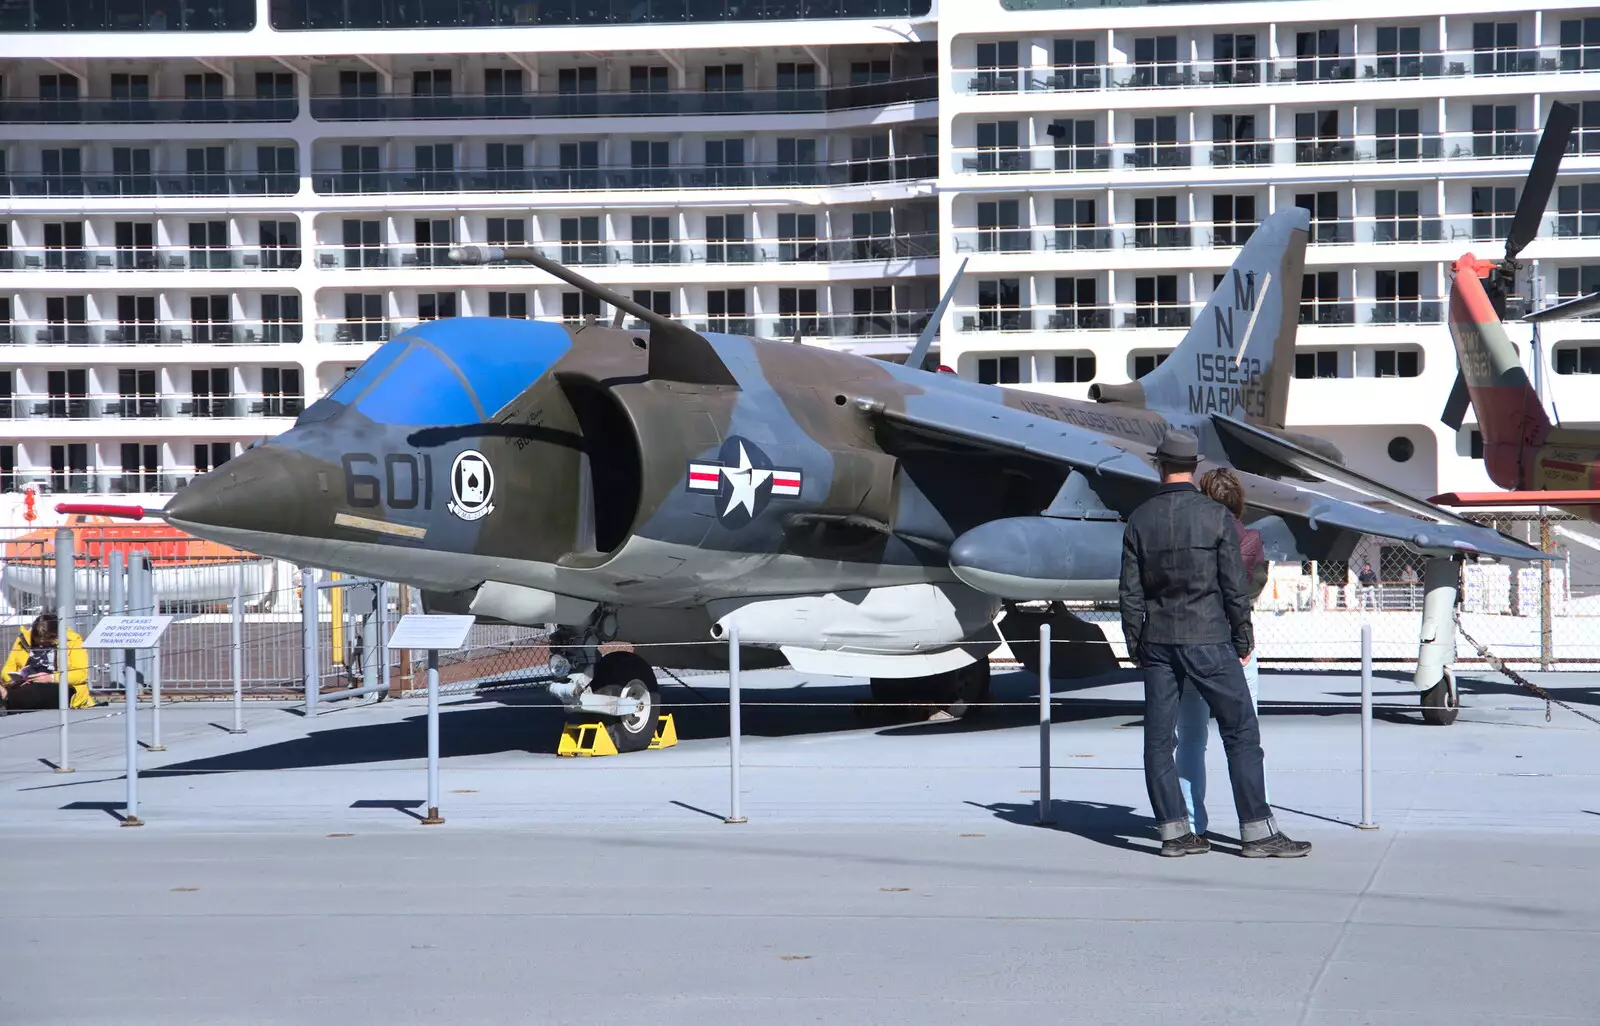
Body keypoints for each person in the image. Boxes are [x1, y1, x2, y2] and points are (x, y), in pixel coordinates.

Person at [1119, 430, 1310, 859]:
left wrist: (1136, 644)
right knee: (1241, 732)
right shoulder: (1215, 516)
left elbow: (1129, 593)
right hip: (1209, 638)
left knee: (1159, 739)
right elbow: (1232, 587)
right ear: (1194, 466)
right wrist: (1243, 636)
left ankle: (1175, 833)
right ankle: (1257, 833)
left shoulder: (1140, 519)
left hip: (1160, 642)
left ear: (1159, 464)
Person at [1175, 467, 1267, 837]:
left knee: (1191, 740)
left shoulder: (1184, 537)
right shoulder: (1251, 539)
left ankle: (1192, 824)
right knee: (1246, 739)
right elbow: (1248, 592)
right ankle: (1257, 825)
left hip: (1189, 644)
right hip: (1235, 648)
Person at [2, 612, 93, 713]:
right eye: (38, 642)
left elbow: (81, 674)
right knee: (29, 690)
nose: (42, 645)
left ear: (56, 636)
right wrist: (13, 680)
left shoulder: (73, 642)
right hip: (25, 684)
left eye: (47, 643)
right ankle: (7, 697)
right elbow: (7, 669)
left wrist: (51, 678)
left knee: (39, 691)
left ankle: (6, 697)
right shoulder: (23, 640)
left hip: (60, 685)